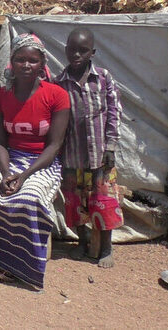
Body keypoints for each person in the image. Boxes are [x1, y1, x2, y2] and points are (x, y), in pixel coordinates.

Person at [0, 34, 70, 289]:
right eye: (20, 59)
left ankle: (18, 263)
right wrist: (7, 172)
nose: (26, 65)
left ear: (43, 63)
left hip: (43, 162)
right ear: (12, 62)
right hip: (10, 159)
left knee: (28, 198)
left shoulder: (57, 95)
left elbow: (54, 145)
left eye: (33, 60)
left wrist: (23, 177)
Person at [54, 28, 123, 268]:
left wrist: (111, 146)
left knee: (104, 202)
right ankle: (82, 242)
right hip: (72, 157)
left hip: (100, 156)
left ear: (92, 52)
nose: (76, 54)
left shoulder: (103, 78)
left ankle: (106, 247)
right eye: (72, 49)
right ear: (65, 50)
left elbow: (114, 112)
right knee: (75, 203)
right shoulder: (59, 82)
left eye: (83, 50)